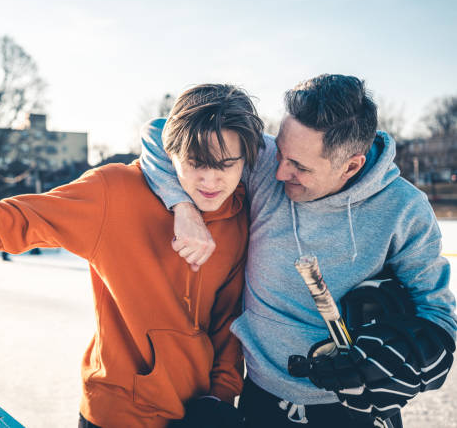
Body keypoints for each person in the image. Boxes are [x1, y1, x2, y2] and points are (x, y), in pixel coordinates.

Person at [0, 84, 265, 428]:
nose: (211, 180)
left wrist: (219, 397)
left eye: (227, 165)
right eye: (196, 163)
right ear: (171, 152)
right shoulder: (114, 192)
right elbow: (19, 219)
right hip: (117, 414)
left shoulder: (240, 214)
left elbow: (228, 321)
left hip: (197, 413)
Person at [139, 74, 457, 428]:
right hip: (261, 396)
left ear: (351, 166)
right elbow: (158, 132)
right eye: (282, 154)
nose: (278, 171)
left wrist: (400, 359)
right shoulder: (268, 163)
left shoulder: (404, 210)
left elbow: (438, 316)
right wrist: (181, 206)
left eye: (299, 167)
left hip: (352, 409)